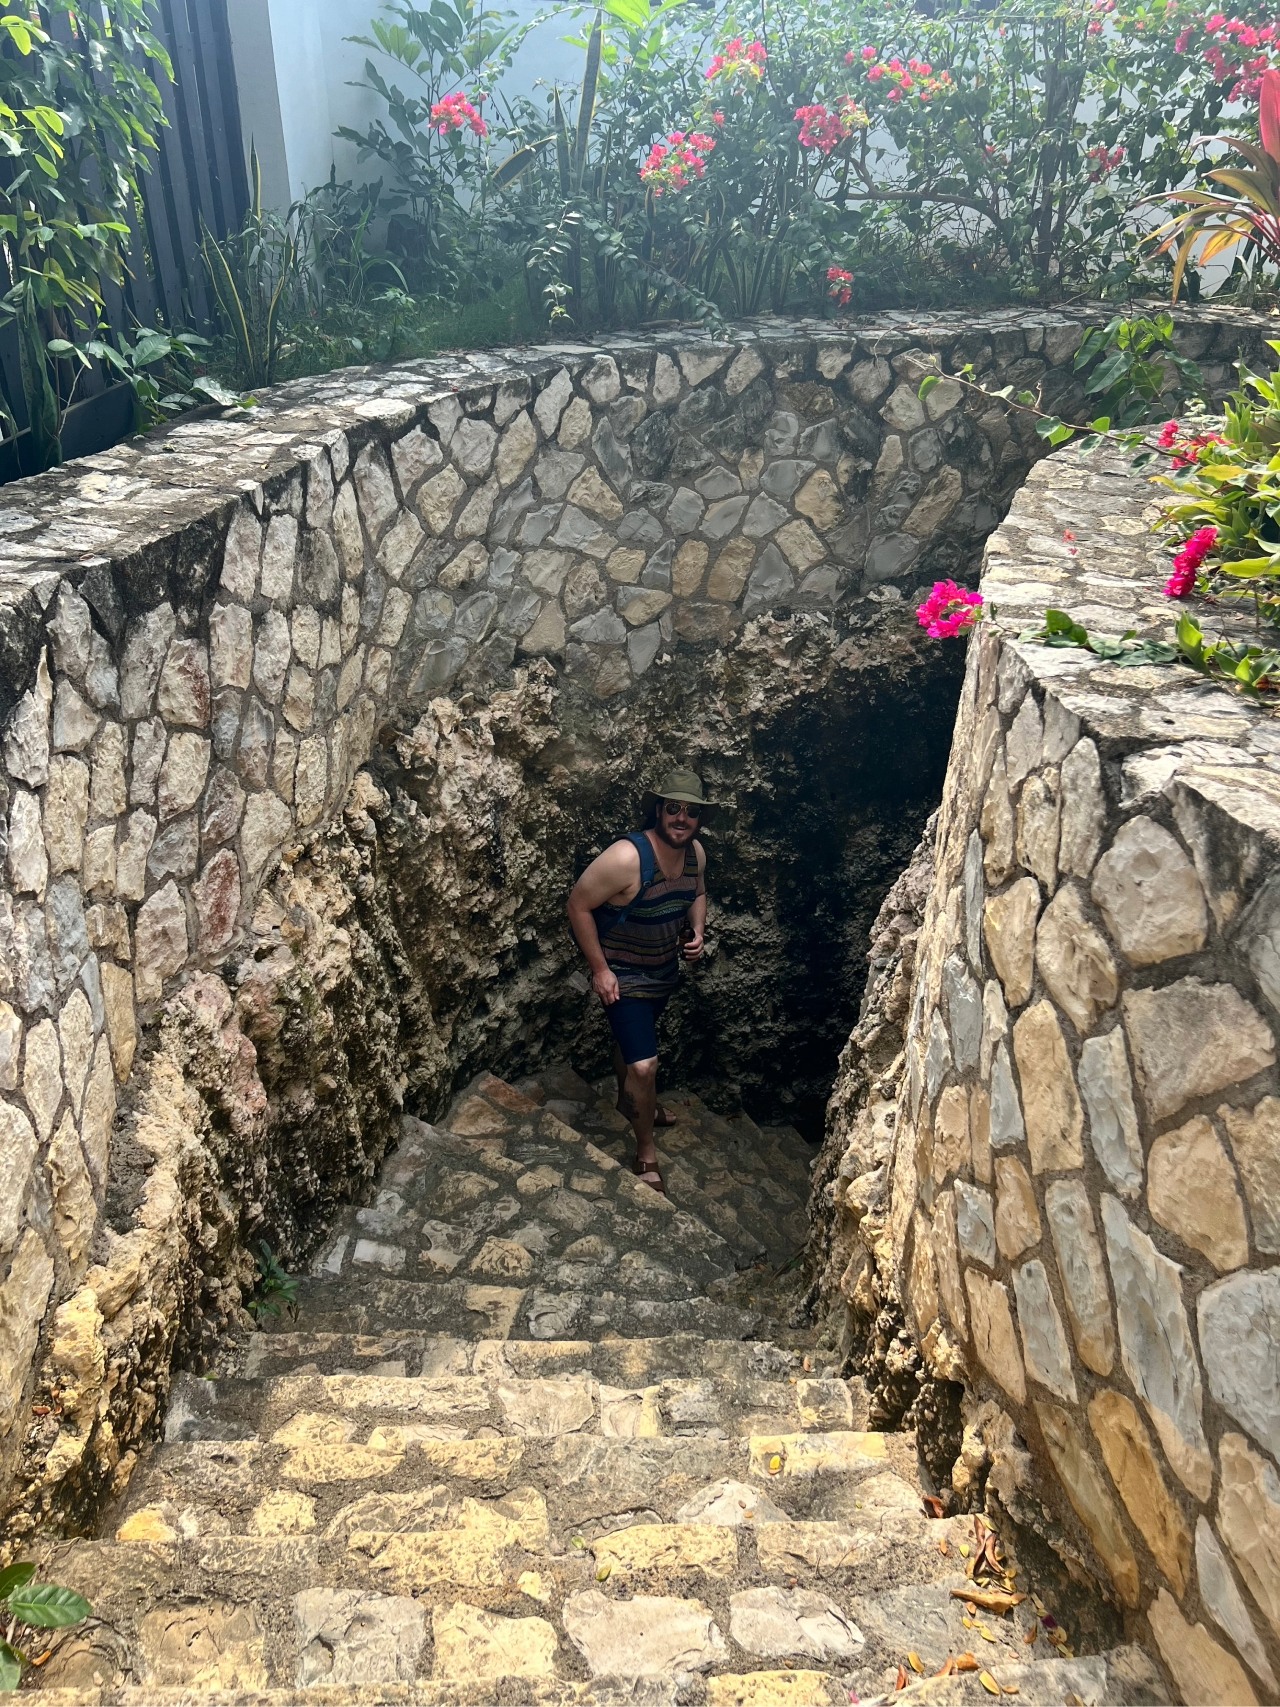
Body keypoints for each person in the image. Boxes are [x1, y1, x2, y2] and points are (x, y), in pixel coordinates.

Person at [566, 767, 711, 1194]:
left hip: (663, 972)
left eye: (690, 812)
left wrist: (698, 933)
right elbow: (577, 905)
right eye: (673, 809)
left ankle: (629, 1101)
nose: (681, 819)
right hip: (624, 978)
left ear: (700, 819)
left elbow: (697, 893)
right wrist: (600, 970)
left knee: (630, 1052)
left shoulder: (695, 855)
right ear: (658, 811)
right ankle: (645, 1147)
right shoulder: (627, 858)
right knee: (644, 1066)